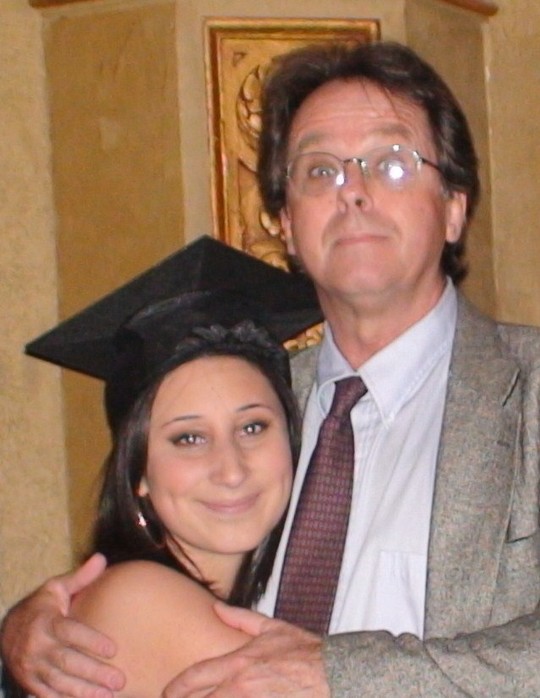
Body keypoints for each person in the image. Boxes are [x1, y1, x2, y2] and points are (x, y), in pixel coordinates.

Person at [3, 39, 540, 696]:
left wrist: (342, 675)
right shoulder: (247, 402)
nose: (354, 192)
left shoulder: (530, 391)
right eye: (320, 171)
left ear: (454, 206)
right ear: (285, 224)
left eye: (392, 164)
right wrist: (25, 632)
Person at [1, 237, 321, 697]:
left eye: (252, 427)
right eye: (189, 438)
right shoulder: (139, 599)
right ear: (139, 475)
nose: (231, 470)